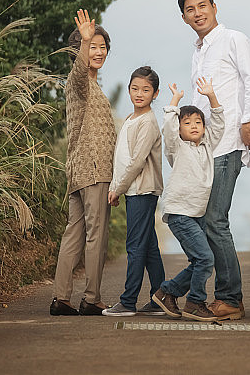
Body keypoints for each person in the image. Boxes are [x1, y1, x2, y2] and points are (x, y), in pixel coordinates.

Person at [178, 0, 250, 321]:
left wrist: (248, 123)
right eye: (190, 10)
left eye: (202, 6)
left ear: (214, 7)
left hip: (228, 143)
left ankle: (230, 298)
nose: (197, 13)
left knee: (215, 220)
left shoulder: (234, 40)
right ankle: (195, 292)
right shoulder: (198, 51)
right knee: (204, 221)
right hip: (204, 149)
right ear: (184, 18)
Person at [50, 10, 116, 316]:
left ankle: (61, 298)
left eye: (102, 47)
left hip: (79, 169)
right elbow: (79, 72)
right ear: (79, 51)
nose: (98, 52)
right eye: (92, 47)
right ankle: (91, 298)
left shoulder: (93, 86)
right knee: (96, 236)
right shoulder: (79, 82)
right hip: (94, 169)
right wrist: (85, 40)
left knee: (74, 234)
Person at [152, 78, 225, 322]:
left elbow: (219, 125)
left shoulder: (207, 145)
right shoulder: (177, 147)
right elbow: (168, 129)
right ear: (180, 129)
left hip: (197, 214)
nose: (193, 126)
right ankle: (194, 302)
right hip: (180, 213)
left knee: (199, 261)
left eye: (198, 122)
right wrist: (175, 101)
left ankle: (167, 293)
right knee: (205, 259)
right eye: (187, 123)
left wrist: (212, 97)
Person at [102, 66, 167, 317]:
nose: (139, 94)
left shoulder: (148, 122)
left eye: (146, 90)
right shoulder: (131, 118)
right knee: (148, 247)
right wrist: (116, 185)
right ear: (129, 89)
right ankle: (161, 299)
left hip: (142, 190)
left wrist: (117, 188)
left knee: (135, 246)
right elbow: (122, 157)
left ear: (155, 93)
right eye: (135, 88)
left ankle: (128, 302)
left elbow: (137, 161)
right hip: (134, 190)